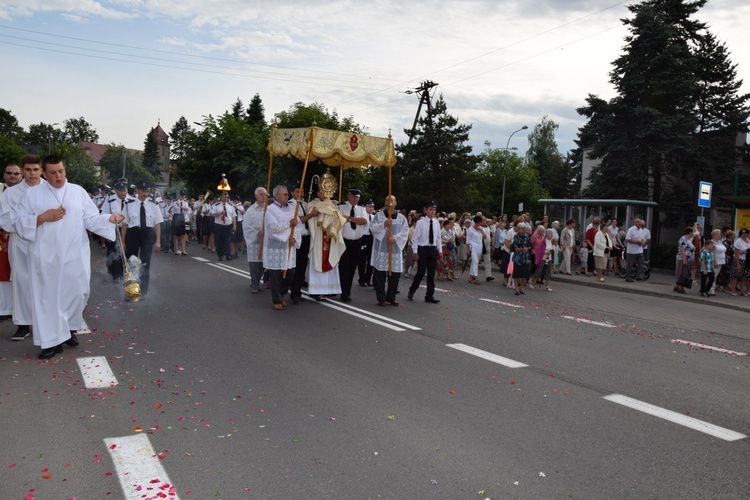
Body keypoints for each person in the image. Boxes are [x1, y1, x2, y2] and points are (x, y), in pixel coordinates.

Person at [13, 156, 124, 359]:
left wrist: (109, 218)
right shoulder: (32, 195)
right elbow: (18, 221)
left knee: (78, 293)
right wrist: (42, 218)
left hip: (75, 253)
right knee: (48, 298)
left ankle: (69, 330)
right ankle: (50, 341)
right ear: (44, 174)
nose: (59, 176)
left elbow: (90, 218)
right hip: (45, 255)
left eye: (61, 171)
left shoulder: (77, 191)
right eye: (53, 173)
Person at [0, 156, 45, 341]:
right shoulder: (11, 194)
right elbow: (6, 220)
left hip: (46, 243)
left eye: (35, 169)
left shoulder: (49, 190)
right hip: (20, 244)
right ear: (22, 172)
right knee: (22, 284)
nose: (32, 173)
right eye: (28, 169)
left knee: (46, 283)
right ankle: (23, 325)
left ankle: (48, 324)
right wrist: (35, 221)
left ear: (41, 170)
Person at [263, 185, 302, 310]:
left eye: (287, 194)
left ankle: (281, 293)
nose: (287, 196)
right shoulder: (270, 209)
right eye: (284, 194)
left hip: (288, 246)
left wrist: (294, 238)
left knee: (290, 272)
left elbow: (298, 225)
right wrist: (288, 225)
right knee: (275, 273)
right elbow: (272, 228)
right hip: (276, 245)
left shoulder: (291, 208)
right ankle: (276, 299)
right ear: (276, 196)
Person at [121, 181, 163, 297]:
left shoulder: (153, 205)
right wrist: (123, 241)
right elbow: (124, 225)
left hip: (147, 235)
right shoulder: (129, 205)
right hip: (133, 234)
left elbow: (157, 224)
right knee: (132, 263)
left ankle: (143, 291)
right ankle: (131, 291)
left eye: (147, 191)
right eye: (143, 191)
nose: (145, 193)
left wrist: (158, 241)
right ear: (137, 191)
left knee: (145, 263)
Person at [306, 184, 346, 301]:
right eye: (322, 191)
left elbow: (340, 218)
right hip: (318, 237)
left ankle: (329, 289)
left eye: (326, 191)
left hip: (330, 237)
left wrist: (333, 209)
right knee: (318, 262)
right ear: (318, 193)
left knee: (331, 260)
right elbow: (313, 213)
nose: (324, 194)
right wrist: (329, 207)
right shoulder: (312, 204)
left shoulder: (333, 205)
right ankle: (316, 291)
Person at [369, 196, 409, 306]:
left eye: (391, 201)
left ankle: (391, 296)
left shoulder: (401, 218)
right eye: (387, 201)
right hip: (381, 249)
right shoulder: (379, 216)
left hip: (395, 250)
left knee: (394, 275)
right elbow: (372, 228)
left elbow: (405, 231)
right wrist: (384, 225)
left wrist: (395, 238)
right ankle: (381, 297)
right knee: (380, 274)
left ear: (396, 203)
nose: (389, 203)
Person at [407, 201, 442, 304]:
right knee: (421, 272)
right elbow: (415, 239)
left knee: (431, 274)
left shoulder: (436, 223)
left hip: (432, 249)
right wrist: (415, 251)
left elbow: (438, 238)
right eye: (430, 209)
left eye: (434, 210)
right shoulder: (421, 223)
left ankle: (429, 295)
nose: (433, 212)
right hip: (422, 249)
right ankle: (412, 290)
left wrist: (439, 250)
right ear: (425, 210)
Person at [0, 163, 23, 320]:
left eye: (16, 173)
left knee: (19, 273)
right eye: (9, 173)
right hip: (1, 236)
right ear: (4, 175)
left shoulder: (27, 192)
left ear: (21, 175)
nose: (12, 176)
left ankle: (17, 309)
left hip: (19, 236)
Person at [100, 178, 134, 281]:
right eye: (120, 190)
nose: (123, 193)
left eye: (124, 190)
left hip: (127, 230)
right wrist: (105, 233)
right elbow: (103, 216)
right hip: (113, 229)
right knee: (113, 251)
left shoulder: (132, 200)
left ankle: (126, 272)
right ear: (116, 190)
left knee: (127, 250)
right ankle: (116, 274)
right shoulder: (110, 200)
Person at [337, 188, 367, 302]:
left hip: (357, 241)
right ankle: (344, 292)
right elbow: (339, 220)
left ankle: (346, 291)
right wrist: (355, 220)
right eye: (353, 196)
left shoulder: (361, 209)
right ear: (349, 196)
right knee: (344, 268)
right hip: (344, 241)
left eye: (357, 197)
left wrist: (349, 218)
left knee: (352, 268)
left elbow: (364, 221)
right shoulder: (341, 207)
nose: (355, 199)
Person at [289, 184, 312, 304]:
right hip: (297, 238)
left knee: (302, 266)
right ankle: (294, 292)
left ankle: (298, 290)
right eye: (297, 191)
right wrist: (311, 215)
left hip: (306, 238)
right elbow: (299, 220)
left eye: (302, 191)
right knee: (295, 266)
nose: (300, 194)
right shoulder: (290, 205)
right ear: (292, 192)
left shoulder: (304, 204)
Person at [242, 187, 267, 294]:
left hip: (265, 240)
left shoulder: (268, 209)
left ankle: (256, 282)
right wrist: (257, 232)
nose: (264, 196)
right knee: (254, 264)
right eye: (261, 194)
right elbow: (246, 226)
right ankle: (255, 284)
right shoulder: (250, 211)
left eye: (265, 194)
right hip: (254, 240)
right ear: (256, 196)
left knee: (263, 263)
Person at [510, 222, 532, 295]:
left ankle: (522, 287)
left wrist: (528, 248)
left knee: (524, 274)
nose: (521, 230)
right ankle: (516, 288)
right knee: (516, 273)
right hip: (518, 258)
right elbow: (515, 248)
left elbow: (530, 245)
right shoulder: (516, 236)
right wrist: (522, 249)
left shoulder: (527, 236)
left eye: (523, 229)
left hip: (525, 258)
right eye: (520, 229)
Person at [212, 192, 236, 261]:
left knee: (228, 240)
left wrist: (234, 226)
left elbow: (233, 217)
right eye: (223, 197)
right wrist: (220, 213)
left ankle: (228, 255)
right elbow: (213, 215)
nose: (224, 198)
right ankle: (220, 254)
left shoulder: (231, 207)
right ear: (220, 198)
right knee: (219, 240)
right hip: (219, 225)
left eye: (226, 197)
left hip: (228, 225)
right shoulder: (216, 206)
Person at [358, 199, 375, 287]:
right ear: (365, 207)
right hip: (363, 237)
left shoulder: (374, 217)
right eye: (369, 206)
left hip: (371, 238)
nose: (371, 208)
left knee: (371, 260)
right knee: (362, 259)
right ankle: (361, 279)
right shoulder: (362, 216)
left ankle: (367, 279)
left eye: (372, 207)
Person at [674, 226, 695, 294]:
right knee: (683, 273)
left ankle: (677, 286)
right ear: (689, 232)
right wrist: (684, 260)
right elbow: (682, 250)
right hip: (683, 259)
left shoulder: (688, 240)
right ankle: (681, 287)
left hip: (689, 259)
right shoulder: (683, 239)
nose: (693, 233)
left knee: (684, 272)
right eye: (692, 232)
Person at [729, 228, 750, 296]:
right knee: (736, 276)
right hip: (739, 260)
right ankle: (733, 290)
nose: (744, 234)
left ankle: (742, 291)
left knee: (744, 277)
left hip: (746, 260)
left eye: (745, 233)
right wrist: (738, 264)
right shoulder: (738, 241)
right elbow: (736, 253)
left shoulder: (748, 241)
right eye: (742, 233)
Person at [465, 215, 484, 285]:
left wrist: (481, 230)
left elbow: (485, 237)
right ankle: (476, 277)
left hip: (479, 247)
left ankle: (470, 276)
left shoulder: (481, 228)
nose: (478, 225)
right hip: (473, 247)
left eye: (480, 223)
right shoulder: (470, 229)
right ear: (474, 223)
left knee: (474, 262)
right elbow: (468, 240)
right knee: (475, 262)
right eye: (477, 223)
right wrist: (467, 249)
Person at [170, 191, 190, 255]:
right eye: (182, 196)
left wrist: (180, 206)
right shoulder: (174, 202)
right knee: (175, 235)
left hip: (181, 217)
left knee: (183, 234)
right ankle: (176, 250)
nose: (183, 197)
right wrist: (171, 208)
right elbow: (169, 211)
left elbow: (187, 209)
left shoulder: (185, 203)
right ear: (180, 196)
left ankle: (183, 250)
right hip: (176, 217)